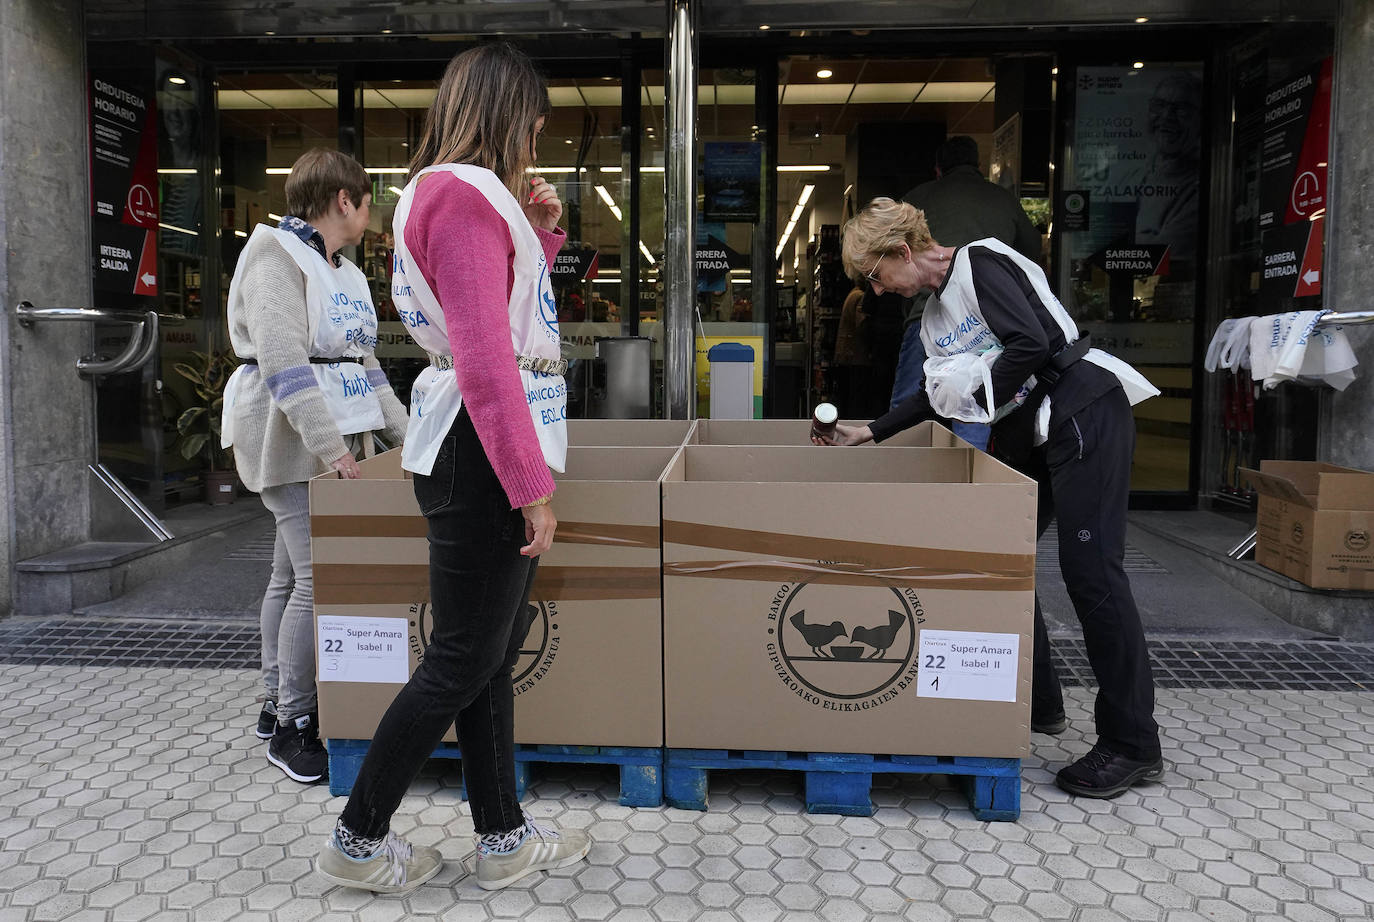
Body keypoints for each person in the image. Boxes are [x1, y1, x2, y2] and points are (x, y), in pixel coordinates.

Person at [316, 43, 588, 895]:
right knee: (463, 657)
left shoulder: (449, 195)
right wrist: (529, 484)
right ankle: (357, 842)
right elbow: (485, 356)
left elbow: (502, 314)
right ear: (509, 112)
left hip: (471, 445)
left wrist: (540, 232)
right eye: (535, 120)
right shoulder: (464, 200)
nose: (538, 136)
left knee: (484, 656)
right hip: (481, 449)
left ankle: (502, 836)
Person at [818, 197, 1164, 800]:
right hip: (1033, 428)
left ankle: (1132, 744)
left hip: (1082, 407)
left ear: (901, 252)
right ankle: (1040, 703)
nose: (875, 292)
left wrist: (977, 395)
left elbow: (1029, 345)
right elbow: (935, 395)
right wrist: (868, 430)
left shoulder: (979, 264)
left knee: (1093, 576)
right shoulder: (931, 318)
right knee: (999, 557)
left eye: (874, 276)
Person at [222, 149, 409, 784]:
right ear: (343, 202)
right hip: (292, 441)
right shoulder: (276, 254)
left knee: (287, 576)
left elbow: (366, 367)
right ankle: (295, 723)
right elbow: (282, 363)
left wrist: (408, 442)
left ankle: (274, 700)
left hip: (334, 440)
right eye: (368, 199)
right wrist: (332, 450)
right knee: (316, 581)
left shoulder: (345, 272)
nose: (373, 211)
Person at [890, 136, 1042, 450]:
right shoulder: (1003, 198)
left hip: (926, 319)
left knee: (911, 399)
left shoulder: (915, 201)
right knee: (974, 410)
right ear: (979, 166)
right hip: (990, 327)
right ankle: (970, 482)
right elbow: (1031, 252)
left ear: (937, 170)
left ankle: (901, 479)